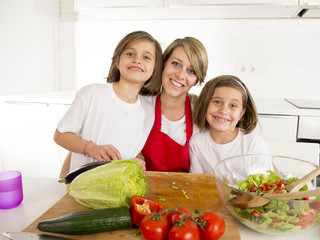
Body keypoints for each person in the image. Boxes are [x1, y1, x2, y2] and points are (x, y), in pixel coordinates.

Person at [54, 31, 163, 177]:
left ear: (155, 69)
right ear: (117, 61)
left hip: (117, 188)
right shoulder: (92, 93)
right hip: (82, 184)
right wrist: (91, 148)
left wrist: (139, 158)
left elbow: (132, 146)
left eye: (146, 57)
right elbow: (60, 135)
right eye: (130, 54)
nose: (137, 60)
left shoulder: (148, 110)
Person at [142, 37, 208, 172]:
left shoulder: (202, 110)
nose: (180, 75)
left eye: (191, 71)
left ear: (196, 80)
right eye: (176, 64)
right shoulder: (141, 105)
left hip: (187, 191)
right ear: (163, 64)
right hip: (143, 190)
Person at [189, 75, 273, 174]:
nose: (223, 111)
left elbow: (266, 186)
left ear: (241, 113)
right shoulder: (196, 143)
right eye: (217, 102)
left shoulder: (254, 145)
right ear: (205, 105)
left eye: (233, 105)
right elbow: (197, 183)